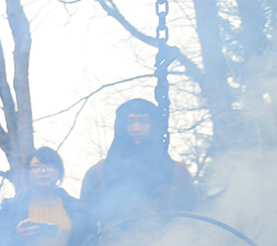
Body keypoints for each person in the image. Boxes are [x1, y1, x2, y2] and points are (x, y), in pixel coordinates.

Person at [80, 98, 196, 229]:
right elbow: (85, 221)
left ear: (154, 125)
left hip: (169, 245)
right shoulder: (98, 172)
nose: (136, 128)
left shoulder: (178, 171)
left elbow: (191, 216)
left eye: (144, 121)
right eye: (130, 122)